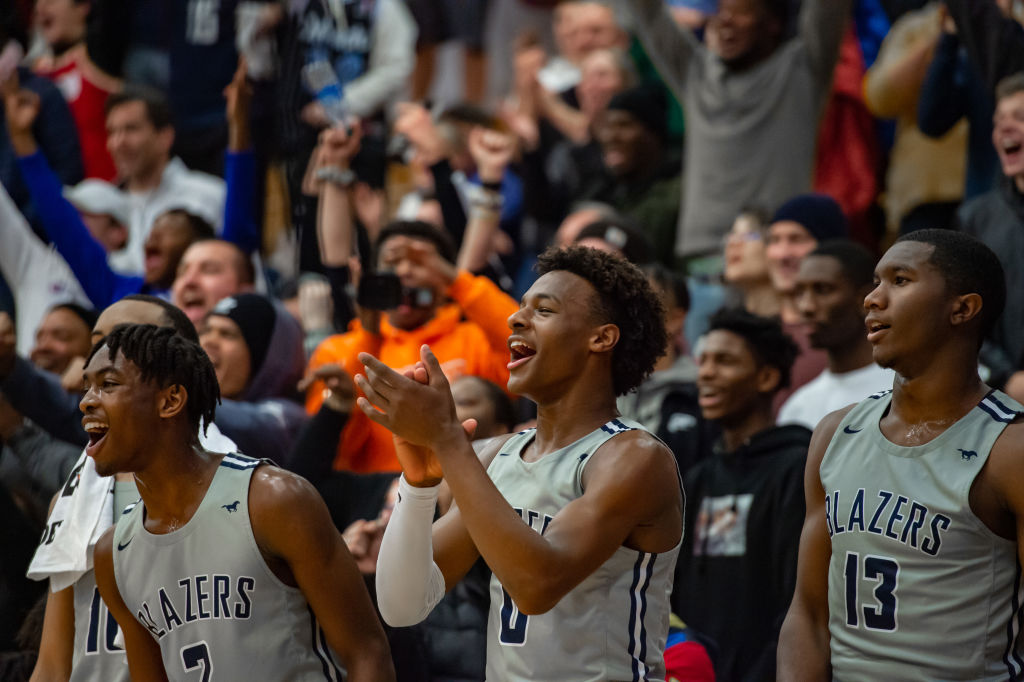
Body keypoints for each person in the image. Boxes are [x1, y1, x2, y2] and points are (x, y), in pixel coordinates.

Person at [369, 246, 683, 680]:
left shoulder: (634, 458)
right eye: (519, 308)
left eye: (544, 310)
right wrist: (418, 485)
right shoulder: (496, 455)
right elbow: (401, 606)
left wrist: (446, 439)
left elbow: (538, 585)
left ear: (601, 338)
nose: (516, 320)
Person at [778, 229, 1024, 679]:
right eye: (875, 281)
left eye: (900, 280)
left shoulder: (1011, 449)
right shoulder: (833, 433)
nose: (873, 298)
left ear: (963, 309)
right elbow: (809, 615)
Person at [88, 324, 394, 680]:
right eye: (86, 387)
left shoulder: (273, 500)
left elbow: (368, 653)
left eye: (108, 384)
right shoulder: (112, 553)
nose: (86, 401)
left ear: (170, 401)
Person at [25, 295, 238, 682]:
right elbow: (54, 664)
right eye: (95, 344)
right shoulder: (72, 499)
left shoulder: (244, 494)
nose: (101, 356)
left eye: (122, 340)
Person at [676, 307, 809, 681]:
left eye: (725, 361)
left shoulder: (796, 469)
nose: (705, 373)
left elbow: (797, 601)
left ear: (766, 377)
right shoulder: (698, 478)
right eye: (703, 360)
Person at [103, 87, 225, 275]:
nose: (118, 142)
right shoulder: (102, 207)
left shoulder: (209, 196)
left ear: (165, 137)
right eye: (112, 132)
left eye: (131, 129)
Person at [957, 73, 1024, 400]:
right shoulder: (976, 218)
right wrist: (1007, 376)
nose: (1005, 129)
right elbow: (966, 312)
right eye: (999, 120)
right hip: (1007, 398)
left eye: (1020, 117)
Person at [778, 242, 894, 430]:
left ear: (865, 298)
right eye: (799, 292)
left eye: (822, 290)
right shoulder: (797, 409)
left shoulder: (903, 391)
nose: (806, 306)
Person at [199, 293, 307, 463]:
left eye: (227, 334)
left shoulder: (290, 418)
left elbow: (248, 425)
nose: (208, 341)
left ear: (266, 359)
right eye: (205, 331)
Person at [764, 194, 847, 411]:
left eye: (796, 239)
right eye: (774, 240)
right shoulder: (758, 331)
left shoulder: (850, 338)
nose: (783, 254)